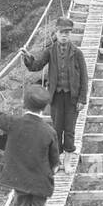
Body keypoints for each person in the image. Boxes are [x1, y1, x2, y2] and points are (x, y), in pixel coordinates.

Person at [20, 16, 87, 172]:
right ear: (56, 33)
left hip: (72, 98)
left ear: (70, 35)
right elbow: (36, 66)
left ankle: (68, 162)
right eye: (61, 32)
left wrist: (82, 99)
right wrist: (27, 57)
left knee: (69, 129)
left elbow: (84, 77)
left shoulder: (77, 53)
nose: (64, 35)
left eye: (67, 33)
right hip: (56, 97)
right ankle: (56, 161)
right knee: (56, 129)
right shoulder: (50, 51)